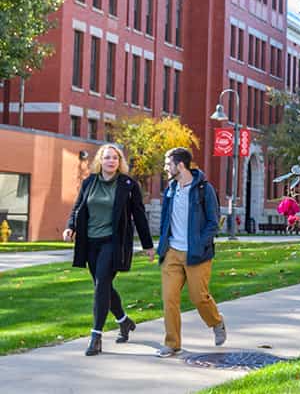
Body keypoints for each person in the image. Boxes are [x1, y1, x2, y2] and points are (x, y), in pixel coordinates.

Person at [63, 144, 155, 356]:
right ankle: (124, 321)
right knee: (101, 286)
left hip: (114, 243)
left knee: (102, 283)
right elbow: (77, 208)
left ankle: (96, 336)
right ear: (100, 161)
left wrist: (148, 245)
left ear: (120, 161)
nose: (111, 161)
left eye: (115, 158)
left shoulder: (128, 184)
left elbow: (139, 215)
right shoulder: (89, 183)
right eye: (107, 158)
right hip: (90, 243)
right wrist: (70, 227)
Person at [156, 147, 226, 357]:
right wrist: (163, 244)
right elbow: (165, 219)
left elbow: (214, 222)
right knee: (169, 299)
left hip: (197, 254)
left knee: (199, 297)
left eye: (168, 164)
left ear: (180, 165)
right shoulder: (170, 189)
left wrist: (199, 243)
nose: (165, 168)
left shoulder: (204, 189)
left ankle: (216, 321)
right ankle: (172, 343)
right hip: (172, 253)